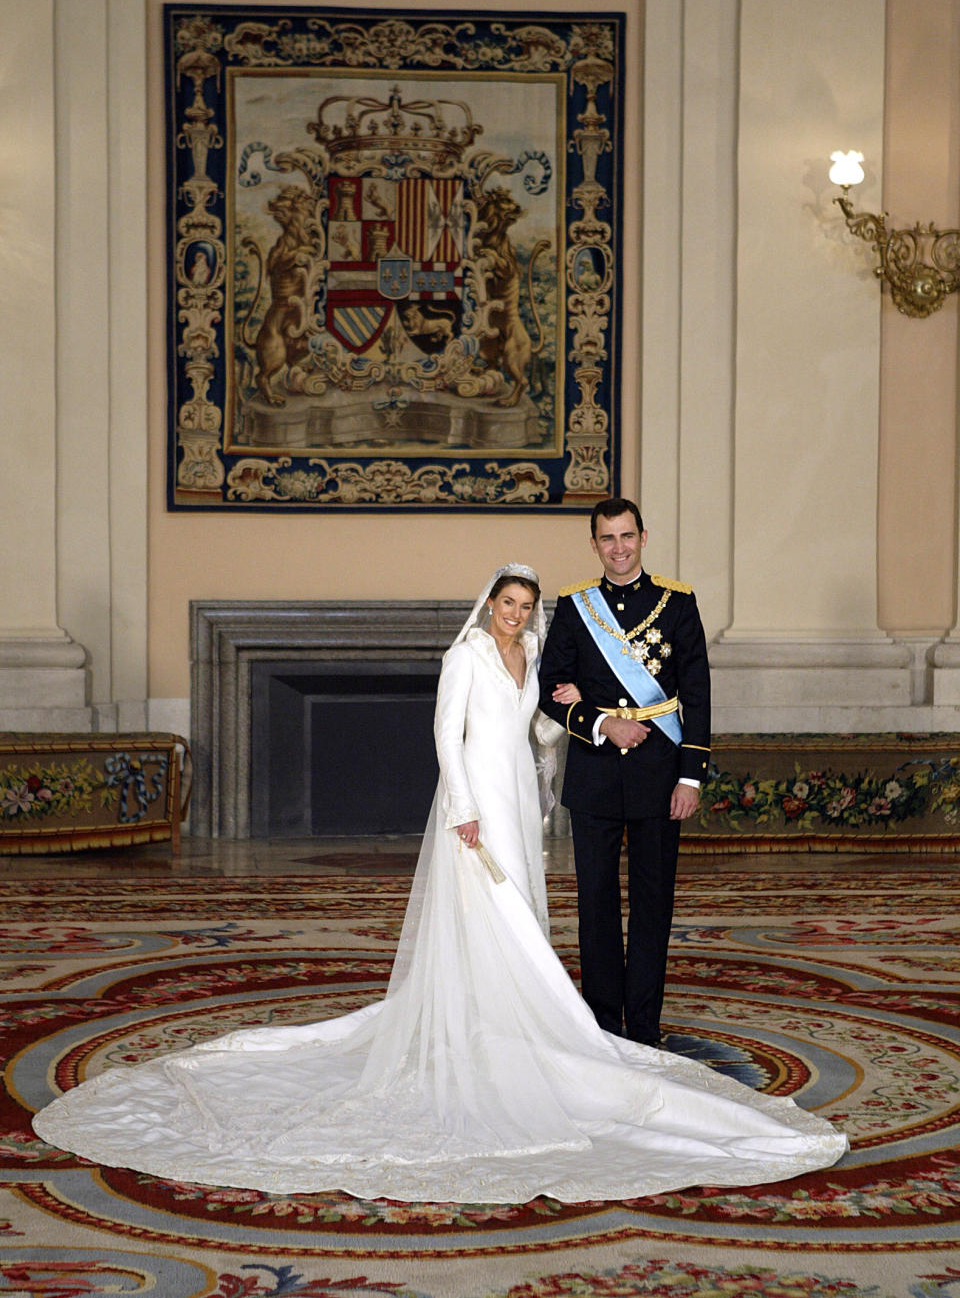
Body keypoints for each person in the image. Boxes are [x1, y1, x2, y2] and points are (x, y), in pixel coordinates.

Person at [32, 564, 846, 1204]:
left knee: (523, 908)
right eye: (508, 602)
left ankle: (512, 1024)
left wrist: (568, 713)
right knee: (489, 916)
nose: (516, 614)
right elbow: (445, 736)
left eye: (527, 605)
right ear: (489, 601)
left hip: (520, 798)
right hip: (477, 804)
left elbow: (533, 727)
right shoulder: (461, 655)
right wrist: (461, 808)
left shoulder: (528, 656)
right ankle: (490, 1025)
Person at [538, 499, 710, 1048]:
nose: (619, 547)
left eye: (627, 536)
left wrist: (691, 777)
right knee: (596, 905)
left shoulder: (676, 603)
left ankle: (645, 1024)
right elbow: (549, 689)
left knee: (654, 902)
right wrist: (602, 722)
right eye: (608, 538)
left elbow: (698, 693)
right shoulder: (574, 605)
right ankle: (604, 1026)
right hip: (593, 774)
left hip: (661, 773)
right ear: (594, 544)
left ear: (642, 537)